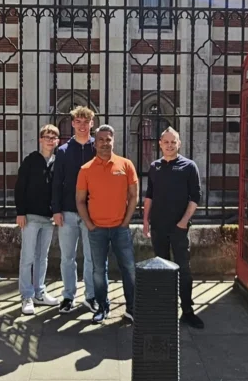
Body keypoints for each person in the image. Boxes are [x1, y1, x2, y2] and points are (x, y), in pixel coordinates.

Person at [76, 124, 138, 324]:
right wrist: (90, 225)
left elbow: (134, 195)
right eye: (100, 140)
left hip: (121, 229)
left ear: (113, 140)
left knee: (128, 268)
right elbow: (79, 200)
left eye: (108, 139)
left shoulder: (126, 165)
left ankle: (132, 308)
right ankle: (102, 307)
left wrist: (125, 222)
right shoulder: (85, 170)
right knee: (98, 271)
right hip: (97, 230)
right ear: (95, 143)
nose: (104, 143)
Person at [143, 127, 205, 329]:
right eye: (166, 142)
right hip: (158, 226)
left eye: (173, 142)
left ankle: (187, 310)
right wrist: (145, 220)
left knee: (183, 269)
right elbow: (149, 195)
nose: (169, 145)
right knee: (162, 269)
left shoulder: (189, 166)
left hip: (179, 227)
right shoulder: (154, 166)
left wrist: (184, 222)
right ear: (160, 144)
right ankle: (165, 309)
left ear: (179, 143)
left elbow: (196, 197)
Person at [52, 105, 98, 313]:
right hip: (68, 212)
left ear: (92, 123)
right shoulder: (62, 151)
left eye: (85, 122)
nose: (82, 125)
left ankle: (90, 296)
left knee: (91, 258)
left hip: (92, 213)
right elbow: (56, 182)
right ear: (72, 124)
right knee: (67, 258)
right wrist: (56, 210)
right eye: (78, 122)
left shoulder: (97, 149)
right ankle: (68, 296)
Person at [15, 124, 62, 315]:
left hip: (49, 217)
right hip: (31, 216)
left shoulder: (58, 162)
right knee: (27, 257)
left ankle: (39, 292)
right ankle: (26, 295)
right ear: (40, 139)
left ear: (58, 141)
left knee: (42, 258)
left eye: (54, 137)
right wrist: (20, 212)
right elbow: (20, 187)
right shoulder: (30, 161)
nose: (50, 140)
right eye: (47, 136)